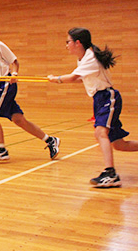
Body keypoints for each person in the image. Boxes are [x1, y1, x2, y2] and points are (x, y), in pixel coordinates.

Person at [48, 28, 138, 187]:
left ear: (78, 42)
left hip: (107, 97)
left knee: (100, 132)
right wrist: (60, 80)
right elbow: (80, 79)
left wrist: (57, 79)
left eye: (68, 42)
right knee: (119, 145)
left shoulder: (90, 56)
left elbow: (74, 77)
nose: (67, 45)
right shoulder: (83, 58)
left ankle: (110, 173)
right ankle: (110, 173)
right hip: (99, 99)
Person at [0, 20, 59, 162]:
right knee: (18, 119)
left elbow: (14, 62)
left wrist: (15, 75)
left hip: (5, 82)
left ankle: (1, 149)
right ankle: (50, 140)